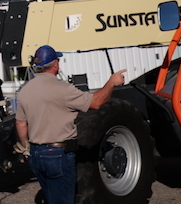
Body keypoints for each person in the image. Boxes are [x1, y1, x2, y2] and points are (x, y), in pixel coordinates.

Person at [15, 45, 127, 204]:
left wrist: (26, 148)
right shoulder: (63, 89)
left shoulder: (25, 91)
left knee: (52, 198)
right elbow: (96, 103)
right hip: (58, 154)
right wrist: (111, 83)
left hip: (36, 154)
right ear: (55, 64)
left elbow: (20, 123)